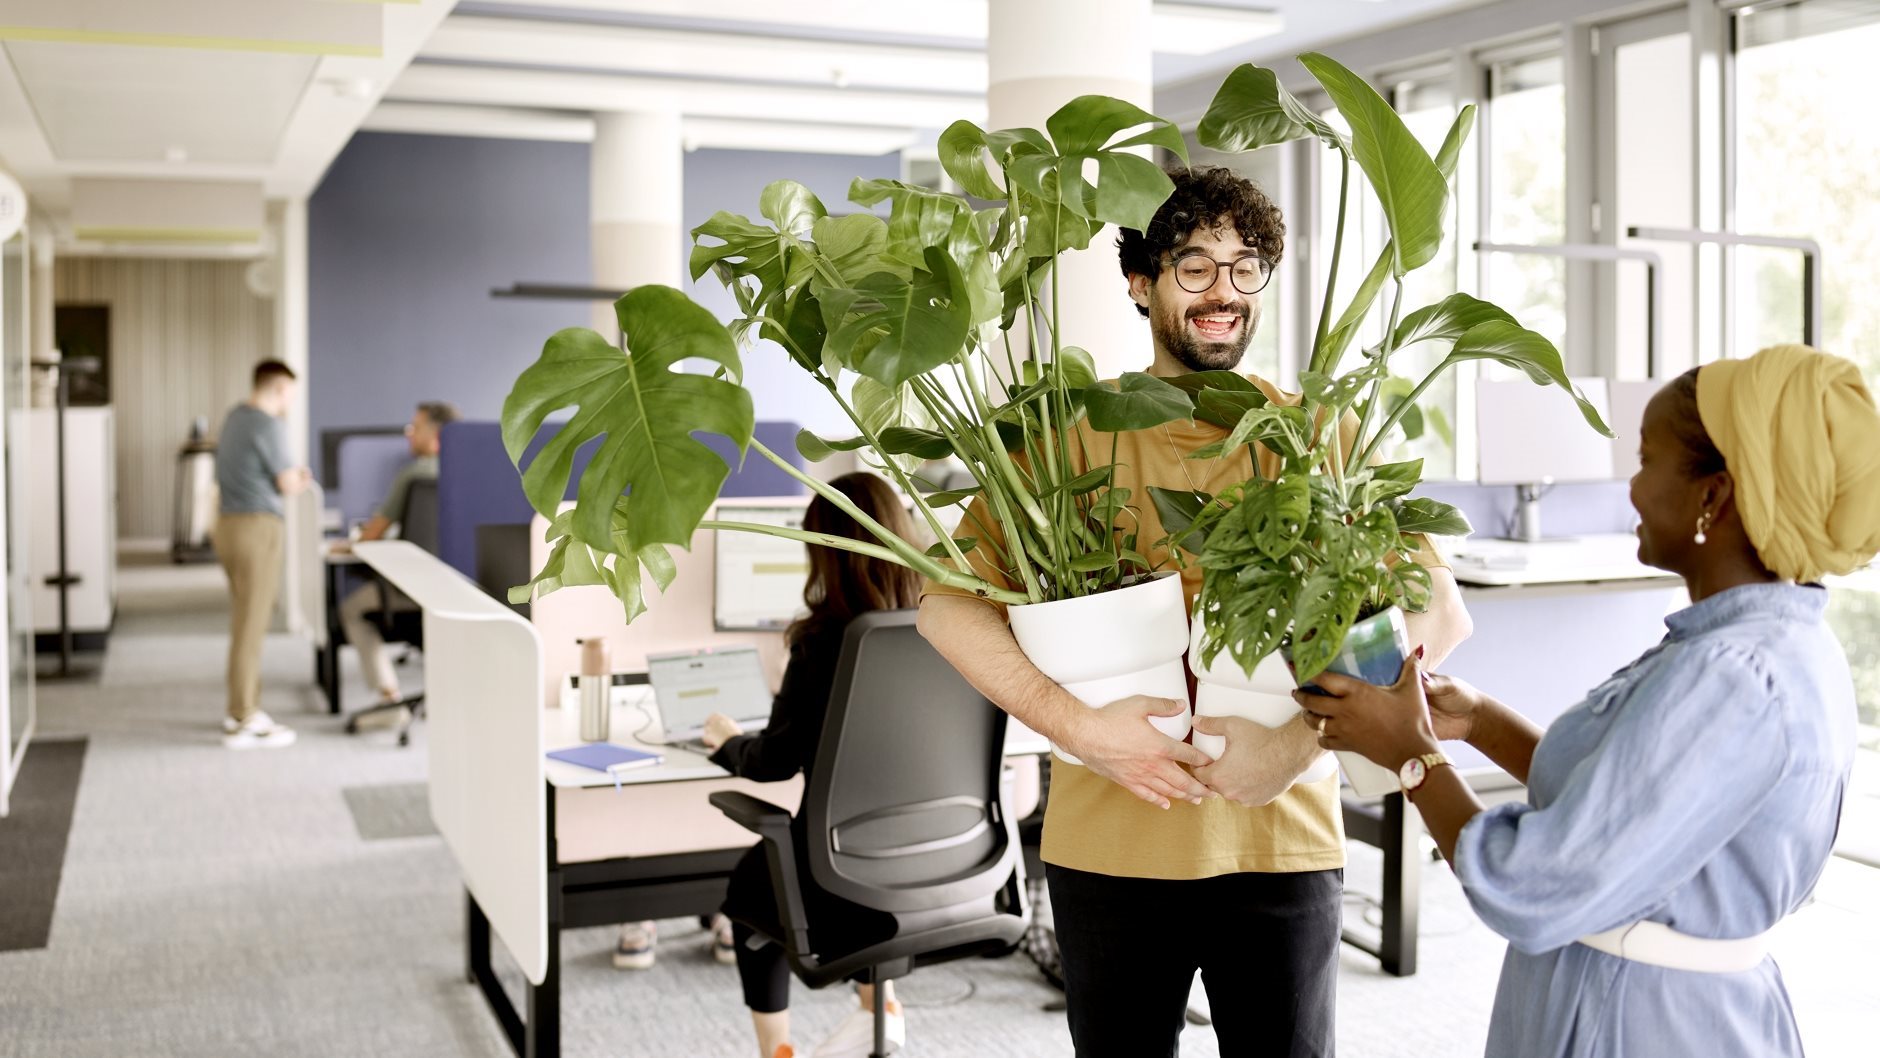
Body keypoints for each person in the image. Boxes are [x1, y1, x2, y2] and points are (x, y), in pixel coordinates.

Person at [917, 166, 1473, 1057]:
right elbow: (944, 608)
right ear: (1141, 283)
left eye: (1245, 266)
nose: (1225, 291)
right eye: (1194, 266)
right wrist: (1086, 731)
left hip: (1283, 838)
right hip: (1110, 843)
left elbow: (1432, 614)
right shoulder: (1069, 433)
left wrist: (1293, 750)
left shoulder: (1312, 432)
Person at [1302, 344, 1880, 1058]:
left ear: (1714, 496)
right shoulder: (1766, 641)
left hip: (1642, 1023)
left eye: (1644, 461)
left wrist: (1413, 757)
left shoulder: (1731, 677)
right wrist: (1478, 721)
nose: (1629, 489)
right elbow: (1627, 807)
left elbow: (1529, 885)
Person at [700, 471, 922, 1058]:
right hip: (931, 856)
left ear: (823, 553)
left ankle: (777, 1051)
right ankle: (883, 1007)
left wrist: (726, 741)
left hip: (836, 866)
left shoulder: (825, 640)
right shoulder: (947, 625)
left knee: (752, 892)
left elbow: (773, 762)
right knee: (866, 884)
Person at [331, 400, 461, 725]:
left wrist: (353, 543)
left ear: (434, 436)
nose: (408, 435)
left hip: (409, 591)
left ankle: (389, 695)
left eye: (414, 428)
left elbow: (374, 532)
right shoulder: (471, 472)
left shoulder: (414, 474)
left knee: (350, 609)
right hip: (461, 590)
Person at [214, 359, 311, 749]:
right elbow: (287, 482)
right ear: (279, 387)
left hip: (228, 526)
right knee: (251, 626)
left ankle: (242, 708)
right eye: (290, 392)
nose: (291, 400)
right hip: (257, 528)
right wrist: (302, 476)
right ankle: (244, 717)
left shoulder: (235, 417)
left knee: (244, 621)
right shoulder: (269, 425)